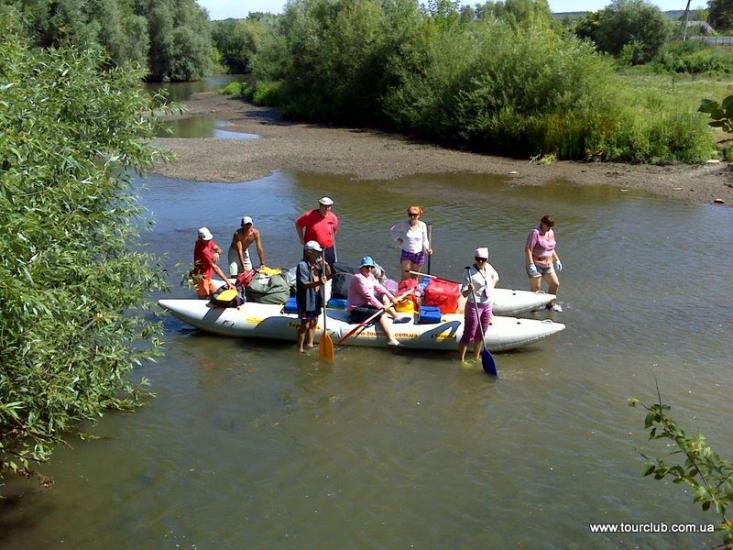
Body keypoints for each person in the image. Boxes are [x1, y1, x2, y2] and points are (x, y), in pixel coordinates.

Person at [347, 256, 403, 346]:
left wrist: (392, 297)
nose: (369, 269)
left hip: (366, 305)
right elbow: (368, 296)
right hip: (356, 309)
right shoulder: (358, 278)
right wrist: (381, 306)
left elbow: (380, 288)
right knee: (381, 313)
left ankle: (396, 317)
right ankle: (391, 339)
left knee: (384, 299)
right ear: (361, 267)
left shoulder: (371, 276)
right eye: (367, 267)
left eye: (371, 267)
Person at [458, 248, 499, 362]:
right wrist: (469, 290)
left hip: (487, 305)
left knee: (481, 333)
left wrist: (490, 288)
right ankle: (460, 360)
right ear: (475, 258)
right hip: (474, 305)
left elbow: (496, 277)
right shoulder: (469, 272)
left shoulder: (489, 267)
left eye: (483, 259)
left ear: (486, 259)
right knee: (469, 334)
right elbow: (463, 293)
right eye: (478, 259)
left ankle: (476, 357)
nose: (480, 261)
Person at [295, 241, 330, 353]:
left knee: (314, 321)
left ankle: (310, 344)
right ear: (309, 252)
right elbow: (304, 284)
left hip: (316, 297)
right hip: (306, 299)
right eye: (316, 252)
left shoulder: (317, 264)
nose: (318, 254)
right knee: (305, 324)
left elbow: (328, 273)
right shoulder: (302, 266)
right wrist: (319, 282)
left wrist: (325, 265)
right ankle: (299, 348)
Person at [525, 215, 563, 312]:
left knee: (555, 284)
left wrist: (557, 260)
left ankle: (549, 305)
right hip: (536, 264)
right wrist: (531, 264)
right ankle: (533, 308)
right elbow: (528, 249)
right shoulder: (535, 233)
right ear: (543, 224)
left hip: (548, 265)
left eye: (551, 226)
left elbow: (551, 248)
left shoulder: (550, 232)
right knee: (536, 288)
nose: (549, 228)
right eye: (548, 226)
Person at [390, 206, 432, 280]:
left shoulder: (422, 225)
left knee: (415, 277)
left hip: (419, 254)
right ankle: (404, 290)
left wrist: (427, 249)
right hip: (407, 252)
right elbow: (393, 230)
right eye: (410, 214)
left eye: (415, 215)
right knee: (405, 276)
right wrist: (398, 239)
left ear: (419, 215)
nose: (412, 217)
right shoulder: (404, 224)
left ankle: (414, 290)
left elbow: (425, 240)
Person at [295, 197, 339, 267]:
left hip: (328, 249)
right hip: (312, 250)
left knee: (329, 269)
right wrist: (301, 239)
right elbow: (298, 223)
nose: (326, 208)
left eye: (329, 206)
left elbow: (334, 232)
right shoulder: (310, 215)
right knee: (312, 269)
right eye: (324, 206)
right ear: (320, 205)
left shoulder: (333, 218)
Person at [191, 227, 234, 299]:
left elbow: (219, 249)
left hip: (207, 276)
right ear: (200, 238)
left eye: (208, 239)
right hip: (201, 277)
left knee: (214, 294)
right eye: (206, 240)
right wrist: (228, 282)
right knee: (204, 297)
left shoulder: (208, 241)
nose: (208, 241)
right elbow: (215, 268)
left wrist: (217, 253)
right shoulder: (203, 251)